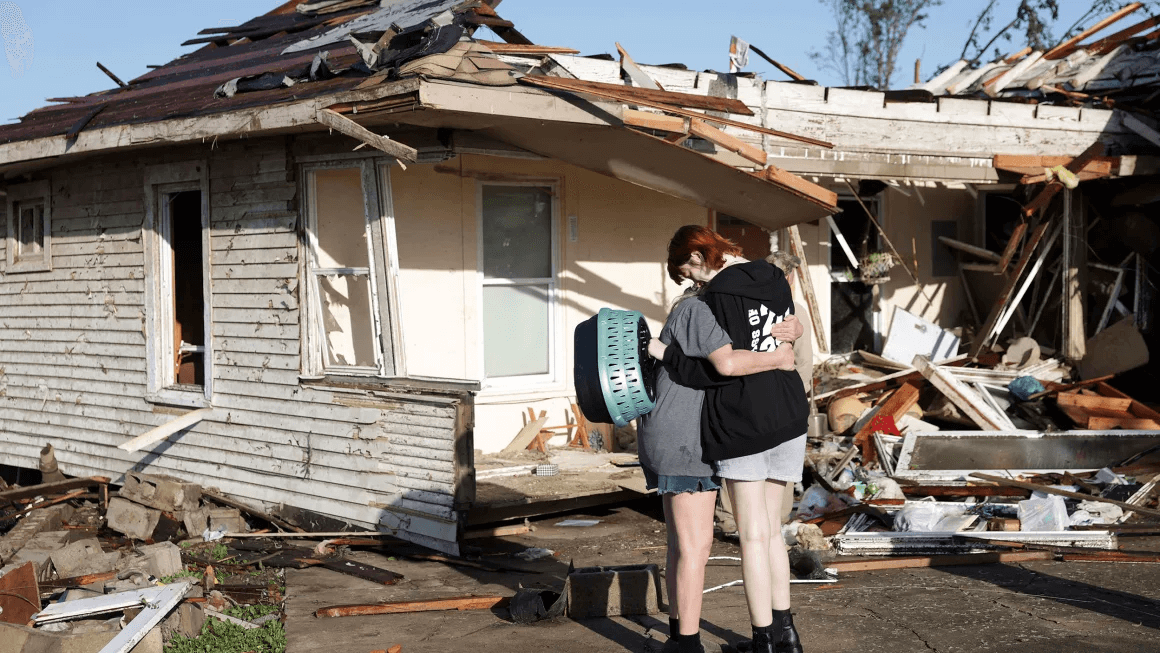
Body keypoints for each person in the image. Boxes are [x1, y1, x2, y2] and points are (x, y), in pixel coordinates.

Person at [657, 225, 810, 653]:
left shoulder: (712, 299)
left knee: (752, 536)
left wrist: (662, 352)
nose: (692, 281)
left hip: (743, 419)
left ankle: (762, 640)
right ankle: (788, 636)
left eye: (689, 270)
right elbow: (788, 329)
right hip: (789, 411)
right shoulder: (775, 277)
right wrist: (790, 338)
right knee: (774, 531)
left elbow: (716, 367)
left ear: (699, 255)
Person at [716, 251, 813, 540]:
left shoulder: (739, 304)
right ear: (787, 276)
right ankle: (771, 523)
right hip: (781, 396)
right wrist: (797, 394)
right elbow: (804, 363)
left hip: (744, 394)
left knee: (740, 462)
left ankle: (731, 519)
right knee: (773, 467)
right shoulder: (792, 310)